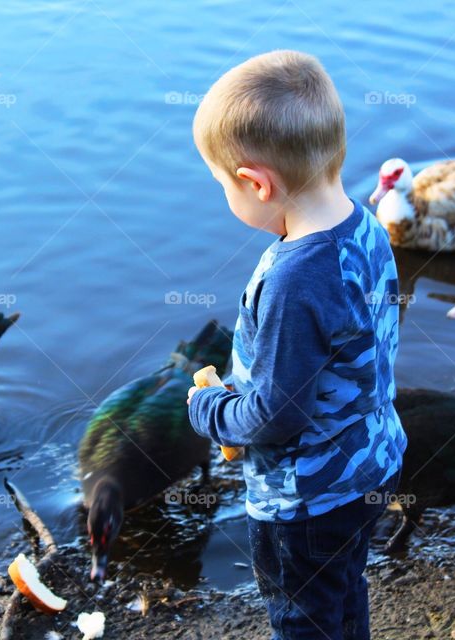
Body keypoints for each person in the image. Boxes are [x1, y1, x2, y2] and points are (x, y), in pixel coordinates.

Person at [186, 50, 407, 640]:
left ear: (256, 183)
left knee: (303, 619)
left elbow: (277, 415)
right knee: (342, 594)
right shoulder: (364, 223)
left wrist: (208, 410)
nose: (223, 197)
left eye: (221, 185)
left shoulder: (294, 279)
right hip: (371, 462)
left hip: (308, 497)